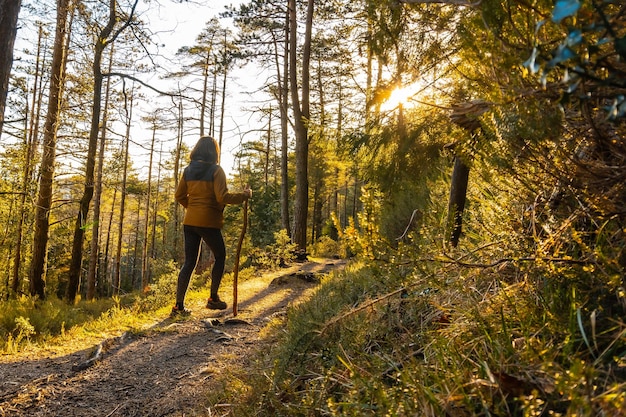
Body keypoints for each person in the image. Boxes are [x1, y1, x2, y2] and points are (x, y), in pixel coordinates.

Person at [172, 136, 252, 316]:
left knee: (189, 262)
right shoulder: (216, 170)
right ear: (213, 151)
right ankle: (213, 299)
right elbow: (222, 197)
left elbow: (179, 196)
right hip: (208, 222)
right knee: (220, 256)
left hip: (190, 221)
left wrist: (192, 208)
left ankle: (178, 306)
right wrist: (244, 195)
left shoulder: (188, 170)